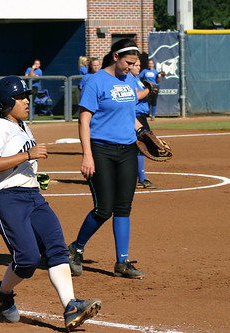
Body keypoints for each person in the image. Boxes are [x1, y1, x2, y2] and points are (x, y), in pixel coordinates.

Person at [0, 75, 101, 331]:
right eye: (21, 97)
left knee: (57, 249)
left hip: (33, 196)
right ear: (6, 102)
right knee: (27, 259)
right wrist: (28, 154)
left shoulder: (24, 126)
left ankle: (71, 306)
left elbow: (19, 163)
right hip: (8, 200)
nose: (27, 101)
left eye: (27, 97)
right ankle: (3, 293)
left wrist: (35, 175)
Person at [67, 39, 145, 279]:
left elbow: (129, 113)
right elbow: (84, 119)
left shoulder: (129, 80)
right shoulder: (96, 81)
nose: (131, 68)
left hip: (127, 150)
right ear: (115, 57)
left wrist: (145, 134)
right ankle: (75, 249)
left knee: (123, 207)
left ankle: (122, 262)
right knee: (104, 208)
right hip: (101, 150)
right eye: (128, 63)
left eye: (134, 64)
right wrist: (87, 155)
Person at [131, 59, 157, 189]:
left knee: (141, 146)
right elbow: (136, 95)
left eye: (139, 65)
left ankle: (140, 177)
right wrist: (149, 89)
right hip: (135, 117)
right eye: (135, 65)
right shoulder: (129, 79)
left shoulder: (137, 79)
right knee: (139, 146)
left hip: (141, 116)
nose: (138, 68)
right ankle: (141, 178)